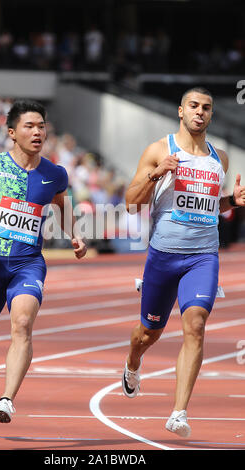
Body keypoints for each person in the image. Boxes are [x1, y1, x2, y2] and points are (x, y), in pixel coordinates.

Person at [0, 99, 87, 423]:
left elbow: (61, 205)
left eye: (41, 126)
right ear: (12, 132)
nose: (37, 131)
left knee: (22, 324)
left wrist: (75, 234)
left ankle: (6, 399)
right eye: (29, 126)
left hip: (28, 263)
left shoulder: (54, 173)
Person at [122, 87, 245, 438]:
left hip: (203, 256)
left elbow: (211, 205)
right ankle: (133, 361)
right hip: (163, 256)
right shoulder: (160, 150)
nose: (200, 112)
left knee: (196, 325)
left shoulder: (218, 158)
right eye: (194, 106)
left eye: (207, 108)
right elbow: (131, 202)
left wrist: (230, 201)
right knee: (148, 334)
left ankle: (178, 412)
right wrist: (156, 173)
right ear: (180, 111)